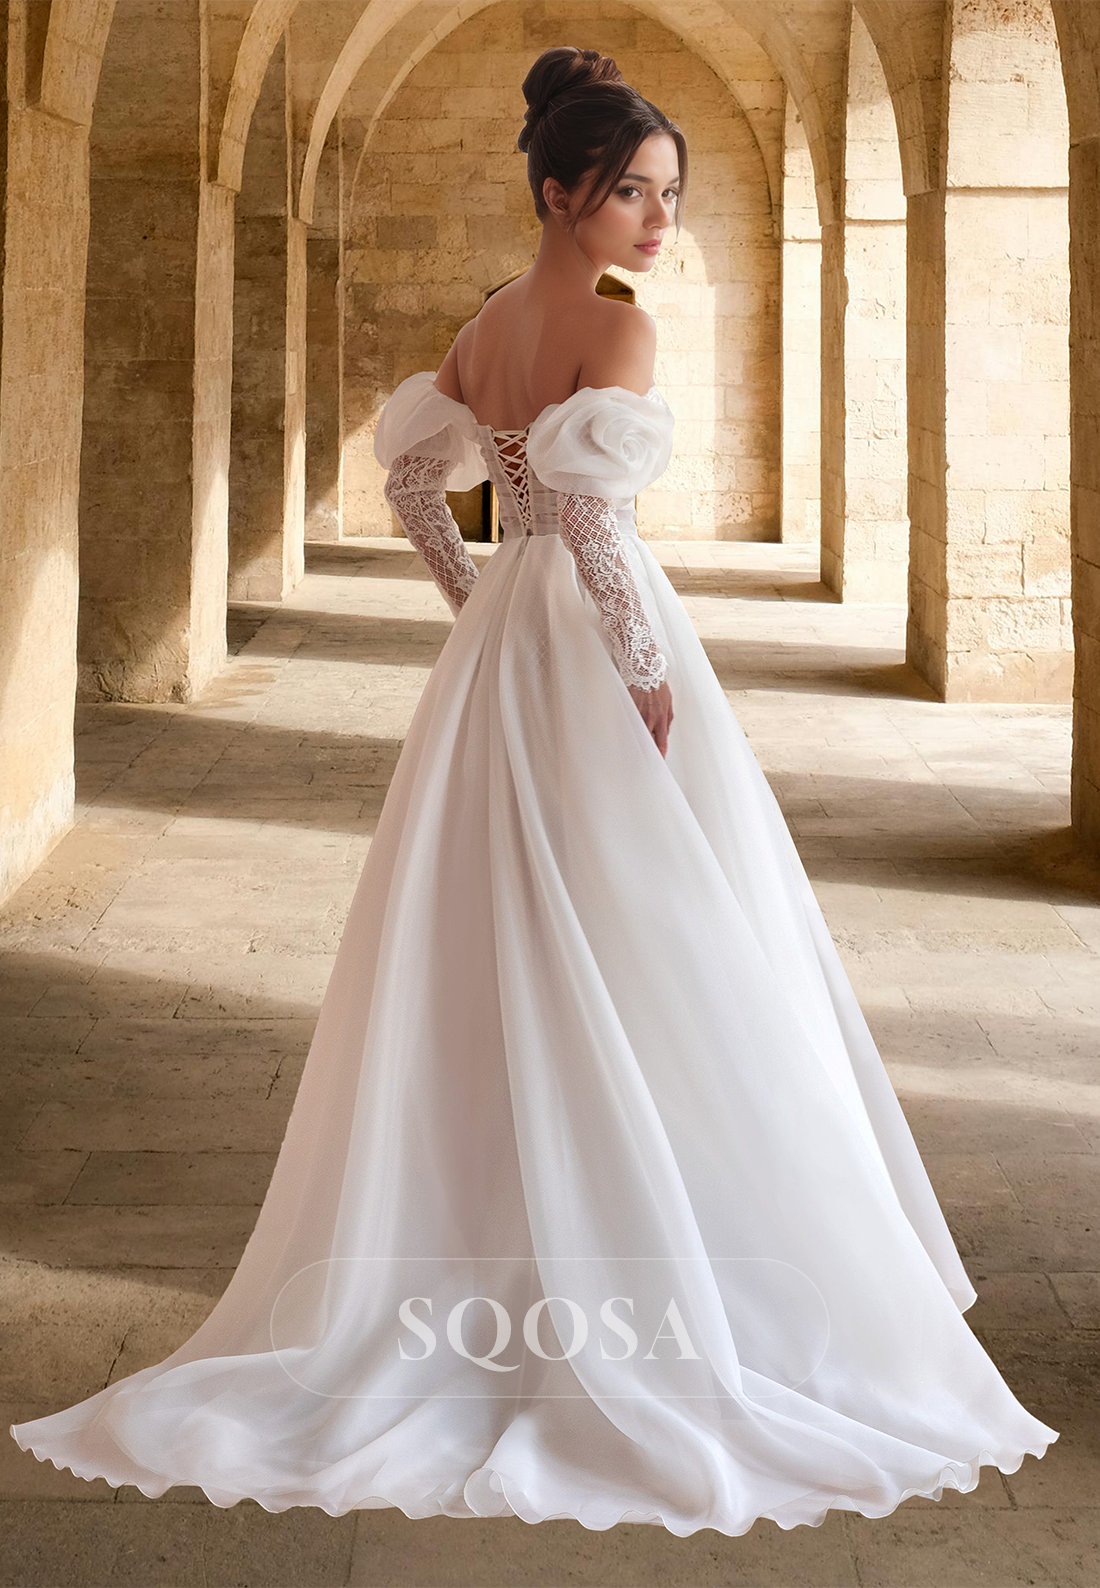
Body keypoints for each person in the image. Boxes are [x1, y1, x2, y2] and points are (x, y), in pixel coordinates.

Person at [10, 44, 1058, 1536]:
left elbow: (415, 486)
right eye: (632, 192)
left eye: (671, 193)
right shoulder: (616, 330)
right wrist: (642, 673)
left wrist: (478, 604)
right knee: (660, 925)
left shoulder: (489, 323)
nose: (657, 219)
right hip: (588, 643)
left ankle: (507, 1221)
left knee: (496, 925)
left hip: (505, 642)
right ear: (562, 191)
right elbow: (599, 531)